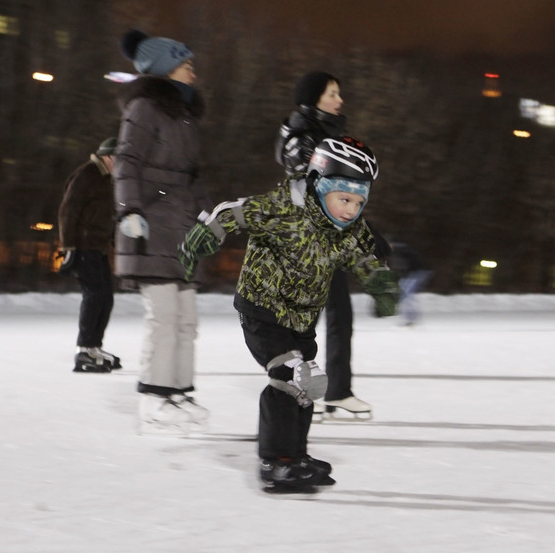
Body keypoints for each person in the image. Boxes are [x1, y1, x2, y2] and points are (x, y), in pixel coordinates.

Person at [179, 136, 399, 493]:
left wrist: (380, 283)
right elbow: (234, 212)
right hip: (262, 310)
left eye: (359, 202)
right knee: (288, 376)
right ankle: (276, 462)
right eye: (344, 198)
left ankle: (296, 455)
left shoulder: (344, 229)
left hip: (301, 319)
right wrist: (204, 234)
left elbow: (361, 257)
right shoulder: (282, 208)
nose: (350, 210)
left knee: (307, 384)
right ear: (317, 183)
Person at [113, 29, 214, 435]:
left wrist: (209, 217)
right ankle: (154, 398)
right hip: (152, 223)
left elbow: (192, 178)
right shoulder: (143, 108)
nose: (194, 71)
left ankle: (179, 393)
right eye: (187, 65)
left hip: (184, 227)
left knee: (187, 319)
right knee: (164, 316)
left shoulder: (185, 116)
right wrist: (129, 210)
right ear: (167, 68)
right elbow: (126, 162)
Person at [275, 71, 390, 419]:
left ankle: (338, 391)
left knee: (341, 315)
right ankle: (295, 390)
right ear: (313, 100)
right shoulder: (300, 140)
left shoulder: (331, 138)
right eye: (332, 94)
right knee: (303, 323)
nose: (340, 100)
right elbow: (315, 195)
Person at [57, 137, 121, 373]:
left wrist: (114, 241)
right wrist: (69, 248)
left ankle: (94, 346)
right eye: (119, 159)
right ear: (108, 156)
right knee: (94, 295)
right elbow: (68, 211)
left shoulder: (107, 179)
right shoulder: (88, 174)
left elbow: (107, 216)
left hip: (98, 247)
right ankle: (83, 350)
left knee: (106, 297)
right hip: (83, 247)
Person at [389, 239, 433, 325]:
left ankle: (411, 318)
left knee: (406, 294)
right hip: (414, 273)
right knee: (404, 294)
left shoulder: (400, 250)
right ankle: (410, 317)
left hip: (416, 273)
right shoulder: (400, 250)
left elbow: (408, 264)